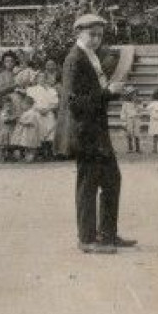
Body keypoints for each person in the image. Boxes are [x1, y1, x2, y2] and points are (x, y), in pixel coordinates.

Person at [57, 13, 136, 254]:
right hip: (84, 132)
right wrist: (108, 92)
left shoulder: (89, 57)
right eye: (91, 34)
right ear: (78, 33)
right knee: (88, 185)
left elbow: (93, 96)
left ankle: (107, 235)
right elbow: (75, 102)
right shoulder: (74, 60)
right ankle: (87, 238)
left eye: (100, 35)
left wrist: (114, 92)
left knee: (112, 180)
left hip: (96, 130)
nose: (96, 39)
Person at [119, 87, 143, 153]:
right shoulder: (125, 104)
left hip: (136, 119)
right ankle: (130, 148)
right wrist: (124, 121)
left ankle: (138, 148)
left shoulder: (139, 102)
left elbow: (140, 110)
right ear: (128, 95)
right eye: (132, 94)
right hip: (129, 119)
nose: (134, 96)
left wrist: (137, 105)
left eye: (135, 94)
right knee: (129, 133)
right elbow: (123, 112)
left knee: (137, 133)